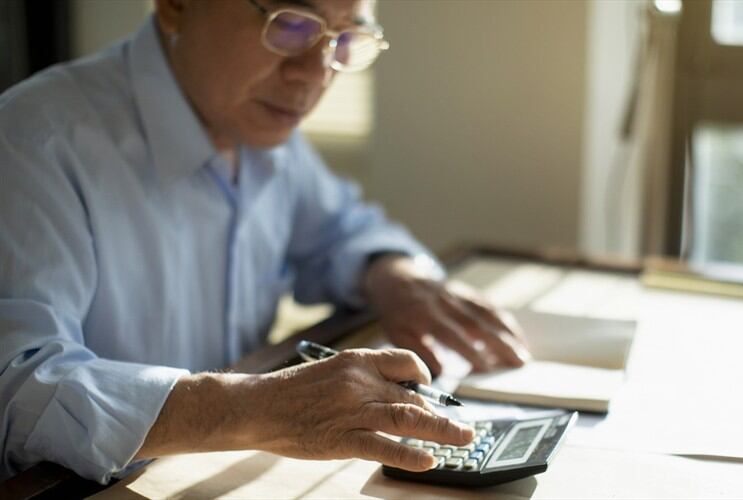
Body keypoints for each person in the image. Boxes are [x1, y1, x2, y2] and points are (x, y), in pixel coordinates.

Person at [0, 0, 529, 483]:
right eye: (290, 25)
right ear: (175, 6)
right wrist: (251, 407)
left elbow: (342, 229)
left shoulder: (256, 124)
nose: (316, 74)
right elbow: (17, 387)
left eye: (344, 39)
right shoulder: (32, 144)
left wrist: (394, 274)